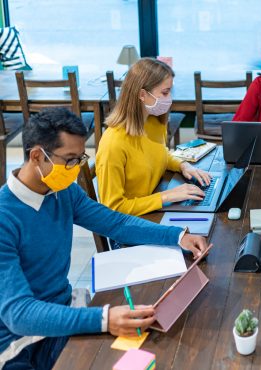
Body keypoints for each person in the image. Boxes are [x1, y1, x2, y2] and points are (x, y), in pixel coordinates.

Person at [0, 108, 211, 369]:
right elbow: (18, 313)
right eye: (69, 160)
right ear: (36, 156)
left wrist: (178, 236)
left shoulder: (63, 191)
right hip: (20, 344)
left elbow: (115, 222)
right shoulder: (4, 218)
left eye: (79, 159)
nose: (75, 170)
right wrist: (104, 318)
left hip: (63, 314)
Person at [96, 58, 211, 217]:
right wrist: (166, 196)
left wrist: (184, 166)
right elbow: (112, 208)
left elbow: (159, 154)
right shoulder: (113, 144)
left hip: (152, 209)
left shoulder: (153, 122)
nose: (169, 98)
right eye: (165, 92)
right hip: (131, 223)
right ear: (142, 94)